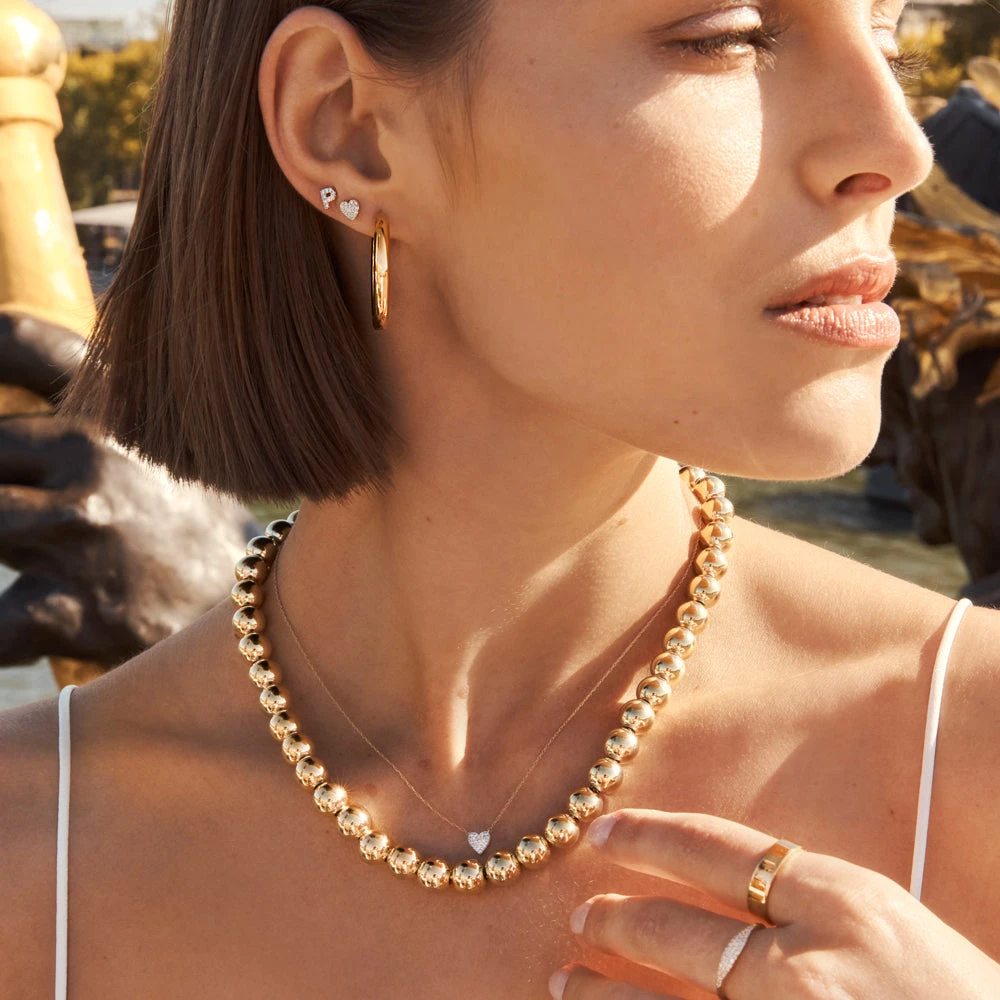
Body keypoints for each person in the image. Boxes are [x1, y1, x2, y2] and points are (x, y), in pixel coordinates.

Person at [2, 1, 999, 997]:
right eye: (728, 36)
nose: (898, 145)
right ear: (347, 124)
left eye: (888, 36)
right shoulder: (28, 843)